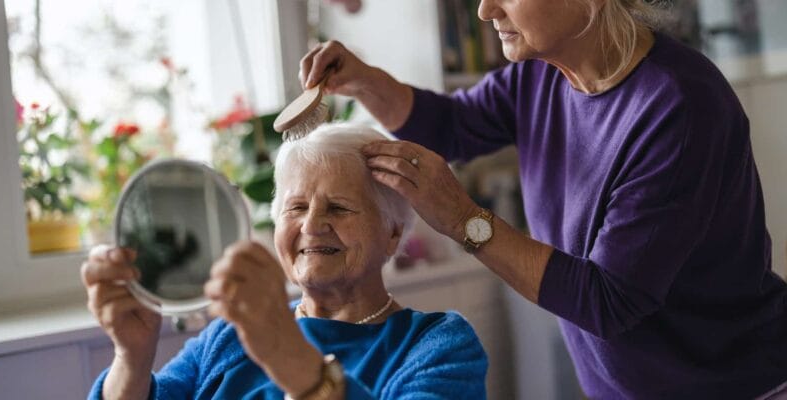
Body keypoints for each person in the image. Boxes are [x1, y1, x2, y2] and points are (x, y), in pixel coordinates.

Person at [299, 1, 787, 399]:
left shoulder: (679, 106)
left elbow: (609, 302)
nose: (486, 10)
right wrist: (363, 79)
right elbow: (451, 126)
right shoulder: (541, 75)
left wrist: (461, 217)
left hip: (736, 386)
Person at [81, 123, 488, 399]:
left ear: (393, 232)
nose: (312, 226)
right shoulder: (227, 336)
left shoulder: (437, 344)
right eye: (295, 208)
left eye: (339, 207)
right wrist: (131, 359)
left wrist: (283, 351)